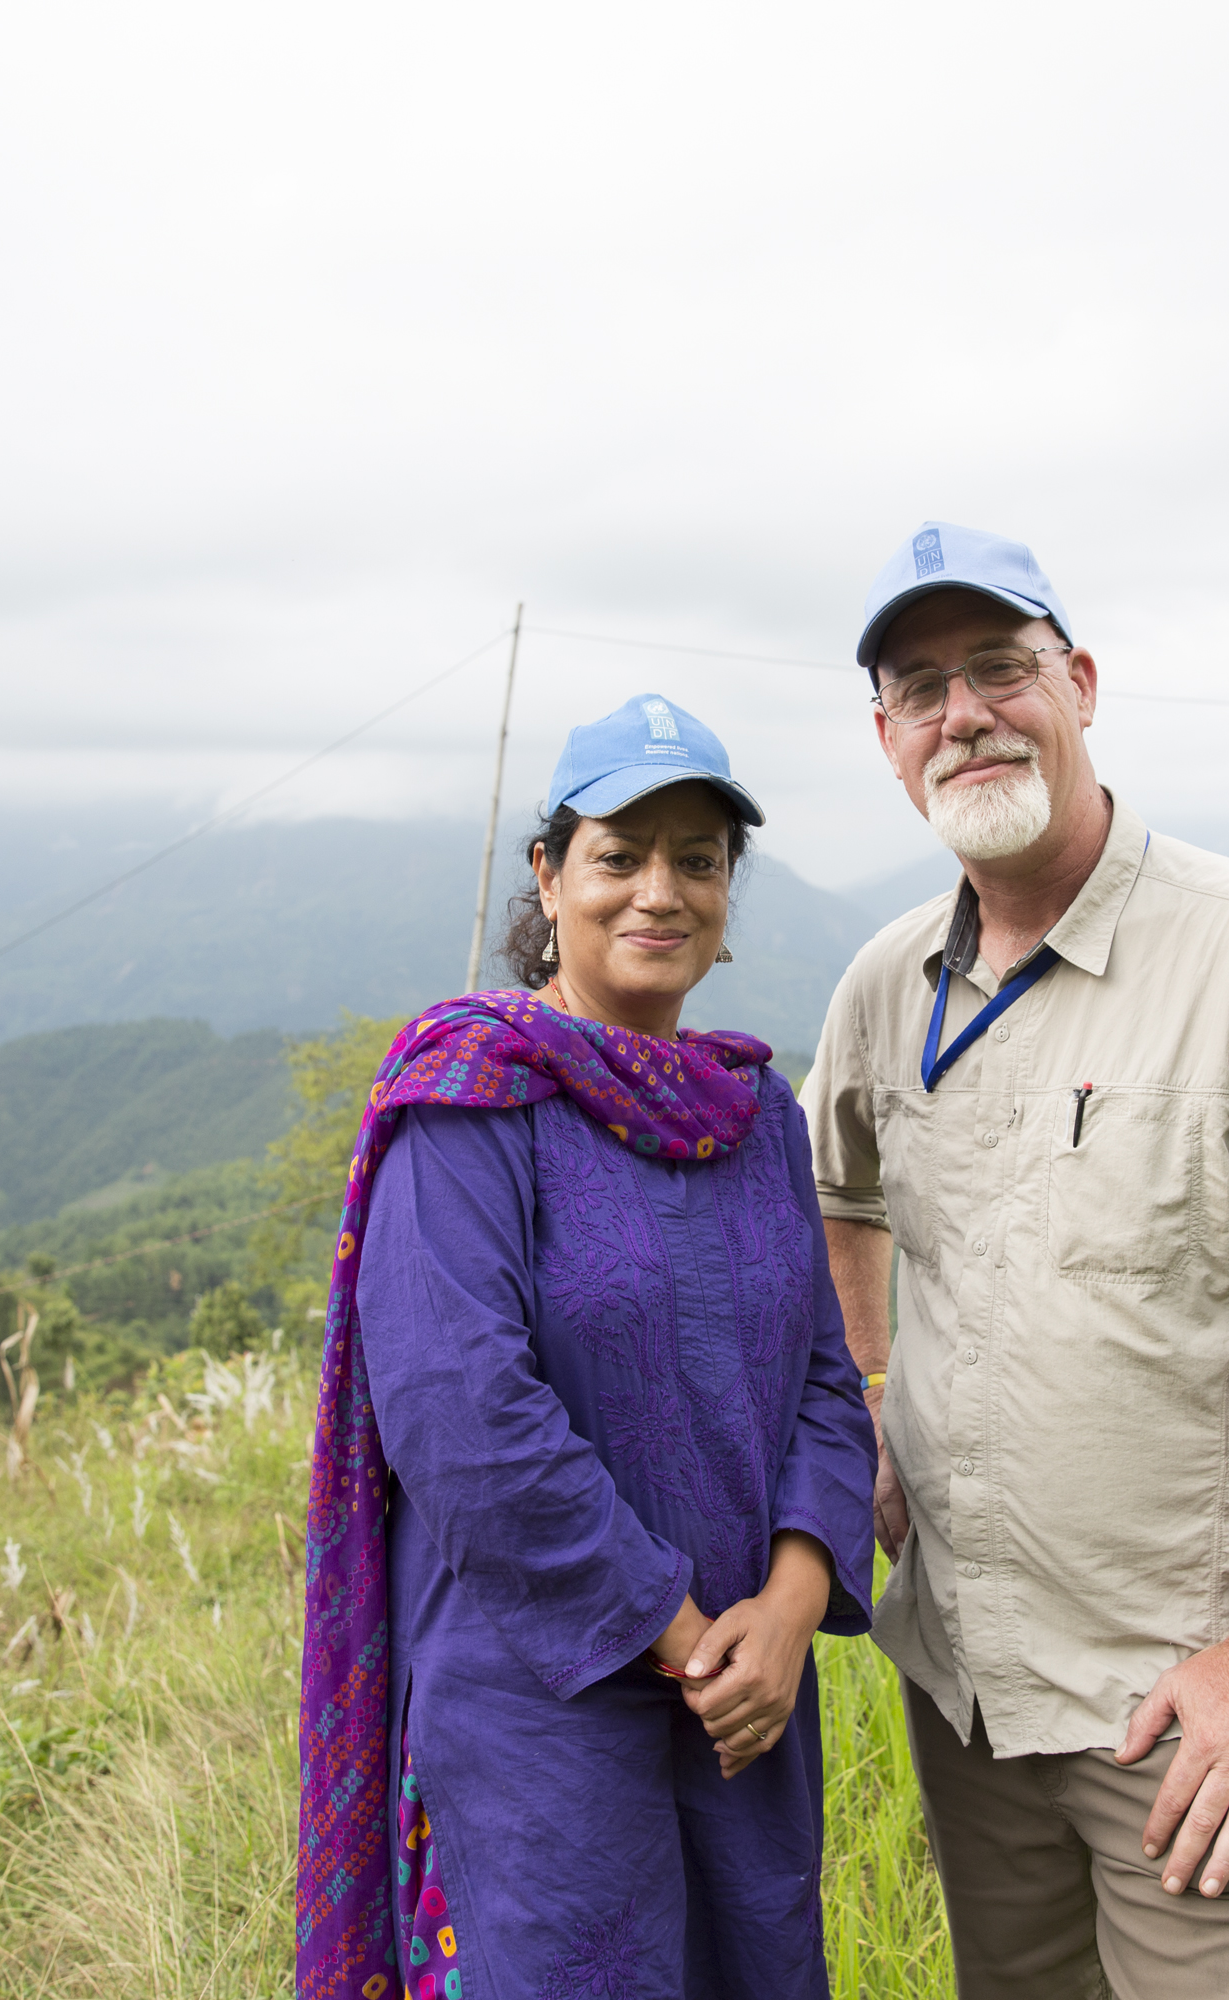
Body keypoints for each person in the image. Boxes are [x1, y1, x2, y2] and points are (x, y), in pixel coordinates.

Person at [800, 524, 1229, 2000]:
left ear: (1083, 683)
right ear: (885, 740)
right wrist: (865, 1386)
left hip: (1186, 1716)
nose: (964, 714)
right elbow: (835, 1191)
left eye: (1000, 668)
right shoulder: (886, 982)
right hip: (968, 1697)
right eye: (921, 688)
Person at [297, 693, 878, 2000]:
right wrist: (685, 1639)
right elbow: (464, 1415)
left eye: (698, 859)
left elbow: (828, 1393)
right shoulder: (472, 1106)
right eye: (620, 855)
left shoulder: (755, 1122)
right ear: (551, 878)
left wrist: (784, 1619)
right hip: (539, 1713)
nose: (658, 891)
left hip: (746, 1717)